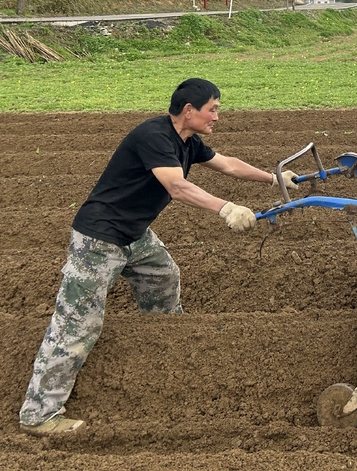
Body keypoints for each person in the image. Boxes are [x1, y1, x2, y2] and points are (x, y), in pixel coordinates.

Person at [19, 78, 300, 437]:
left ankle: (162, 345)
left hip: (135, 236)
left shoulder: (188, 140)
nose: (218, 116)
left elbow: (227, 164)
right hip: (100, 239)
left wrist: (274, 179)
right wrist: (226, 208)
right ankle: (39, 414)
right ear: (189, 111)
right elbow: (177, 187)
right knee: (78, 324)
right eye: (212, 109)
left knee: (163, 276)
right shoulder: (153, 136)